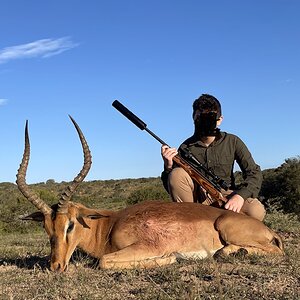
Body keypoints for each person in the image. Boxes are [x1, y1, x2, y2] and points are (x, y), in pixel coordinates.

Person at [161, 94, 265, 221]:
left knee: (256, 211)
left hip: (226, 196)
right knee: (176, 174)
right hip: (197, 202)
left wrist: (239, 197)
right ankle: (190, 223)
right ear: (194, 117)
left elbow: (254, 173)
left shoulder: (233, 141)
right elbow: (175, 186)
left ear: (219, 119)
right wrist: (168, 167)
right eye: (200, 117)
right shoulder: (184, 147)